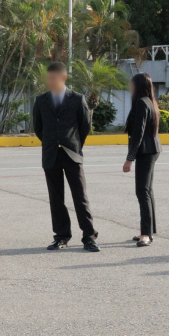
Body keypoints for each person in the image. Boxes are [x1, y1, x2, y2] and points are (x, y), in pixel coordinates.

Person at [33, 61, 100, 252]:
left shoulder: (77, 99)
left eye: (54, 78)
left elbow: (84, 126)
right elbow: (39, 129)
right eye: (48, 78)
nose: (50, 81)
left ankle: (89, 236)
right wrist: (51, 142)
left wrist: (74, 145)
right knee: (56, 199)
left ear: (63, 78)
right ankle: (61, 236)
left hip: (72, 154)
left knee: (80, 196)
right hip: (51, 155)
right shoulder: (41, 100)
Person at [122, 73, 162, 247]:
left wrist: (129, 159)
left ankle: (146, 233)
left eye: (131, 84)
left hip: (146, 151)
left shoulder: (141, 103)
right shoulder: (150, 101)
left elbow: (138, 133)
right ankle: (150, 230)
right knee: (147, 190)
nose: (129, 87)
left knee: (142, 191)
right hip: (152, 149)